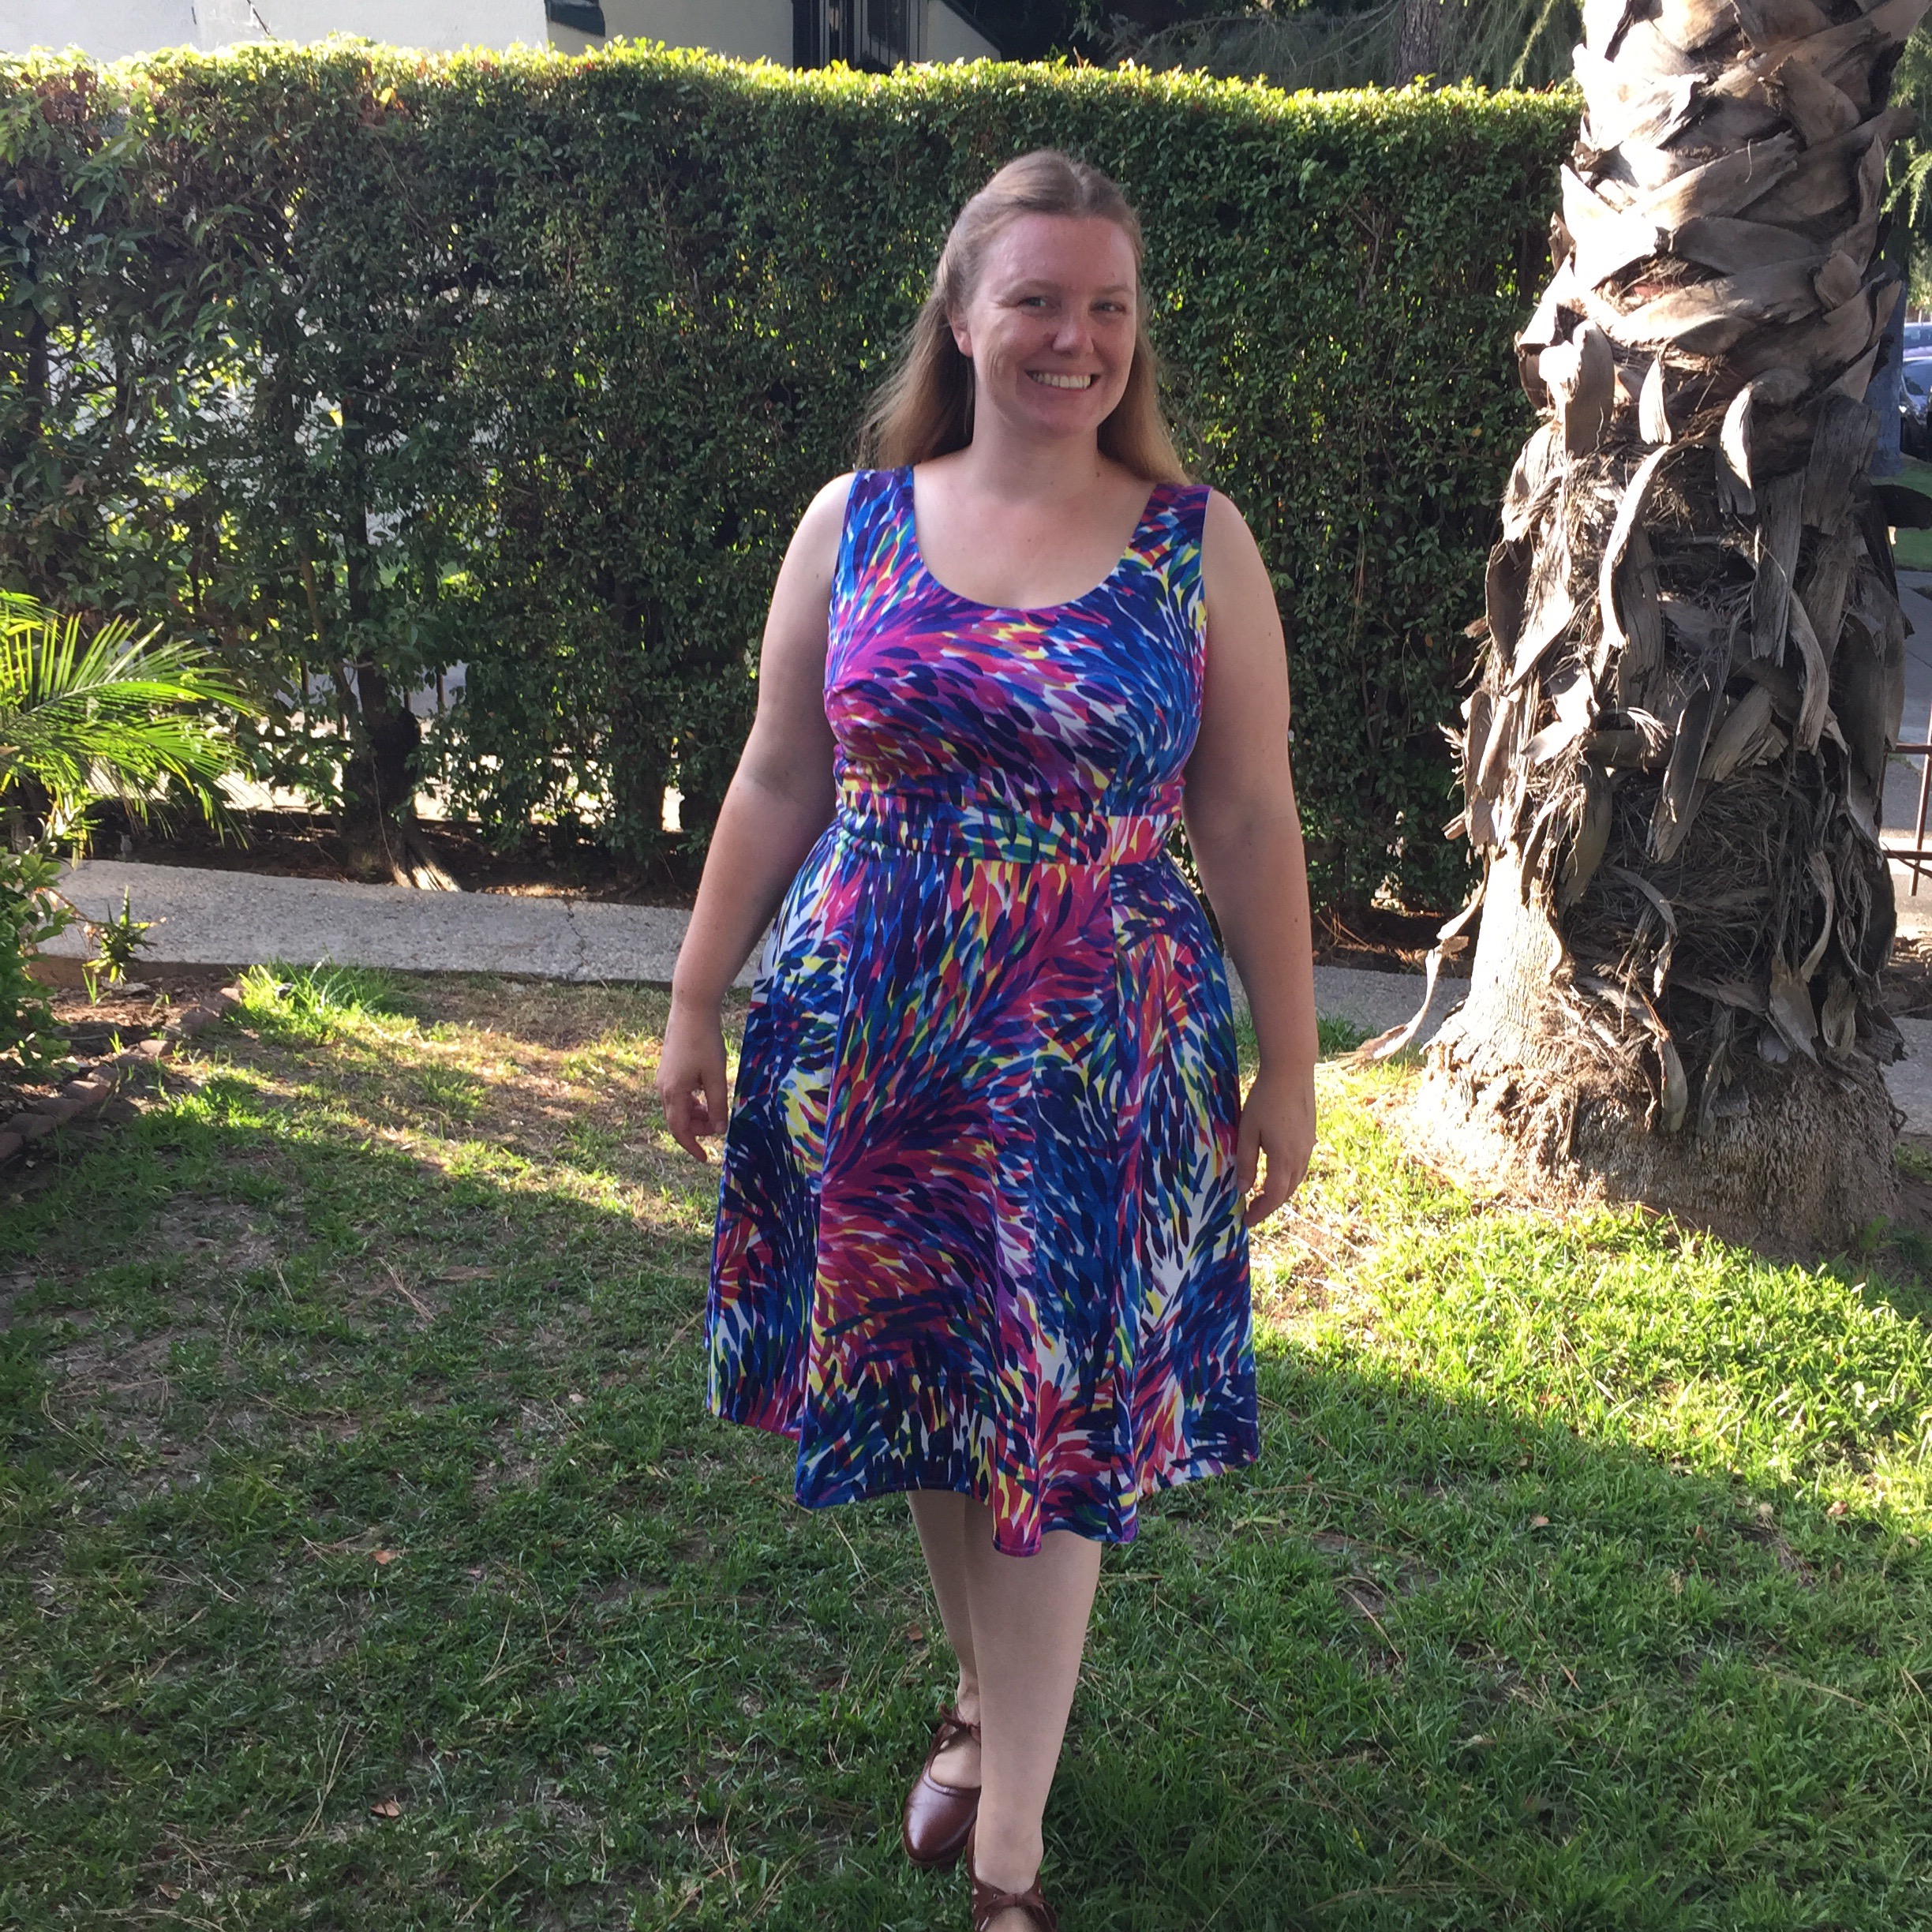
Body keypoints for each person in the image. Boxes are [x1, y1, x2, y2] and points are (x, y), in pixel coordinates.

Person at [657, 148, 1318, 1932]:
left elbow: (1248, 813)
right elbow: (779, 773)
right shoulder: (855, 521)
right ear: (962, 315)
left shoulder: (1194, 541)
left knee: (1053, 1428)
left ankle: (1011, 1851)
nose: (1074, 338)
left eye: (1108, 306)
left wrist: (1293, 1065)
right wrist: (697, 993)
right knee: (934, 1388)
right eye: (1036, 299)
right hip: (876, 1037)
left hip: (1101, 1055)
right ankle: (975, 1696)